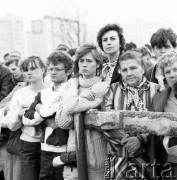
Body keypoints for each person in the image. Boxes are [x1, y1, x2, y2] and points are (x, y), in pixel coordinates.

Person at [55, 43, 109, 180]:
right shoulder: (70, 86)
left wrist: (74, 101)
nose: (84, 64)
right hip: (74, 151)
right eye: (81, 61)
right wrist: (80, 94)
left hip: (97, 150)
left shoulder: (102, 86)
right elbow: (62, 122)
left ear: (98, 64)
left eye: (89, 61)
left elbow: (70, 107)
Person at [103, 50, 159, 179]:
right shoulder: (112, 89)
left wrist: (140, 140)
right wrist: (128, 141)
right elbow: (104, 121)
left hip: (147, 156)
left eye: (133, 68)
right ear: (120, 72)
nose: (129, 73)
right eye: (124, 70)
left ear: (143, 69)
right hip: (117, 156)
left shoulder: (156, 89)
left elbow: (158, 122)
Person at [23, 51, 73, 180]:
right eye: (51, 69)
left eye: (57, 69)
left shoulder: (71, 90)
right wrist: (45, 119)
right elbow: (28, 115)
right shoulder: (44, 93)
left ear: (68, 71)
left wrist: (40, 108)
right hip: (45, 149)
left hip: (64, 148)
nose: (53, 72)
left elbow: (55, 113)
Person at [6, 56, 47, 180]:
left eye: (33, 68)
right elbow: (11, 124)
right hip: (28, 144)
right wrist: (20, 113)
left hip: (51, 144)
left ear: (43, 69)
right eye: (25, 69)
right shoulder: (20, 93)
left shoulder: (51, 90)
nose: (29, 72)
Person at [152, 50, 177, 179]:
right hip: (170, 158)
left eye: (175, 69)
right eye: (168, 72)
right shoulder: (158, 98)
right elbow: (152, 124)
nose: (172, 75)